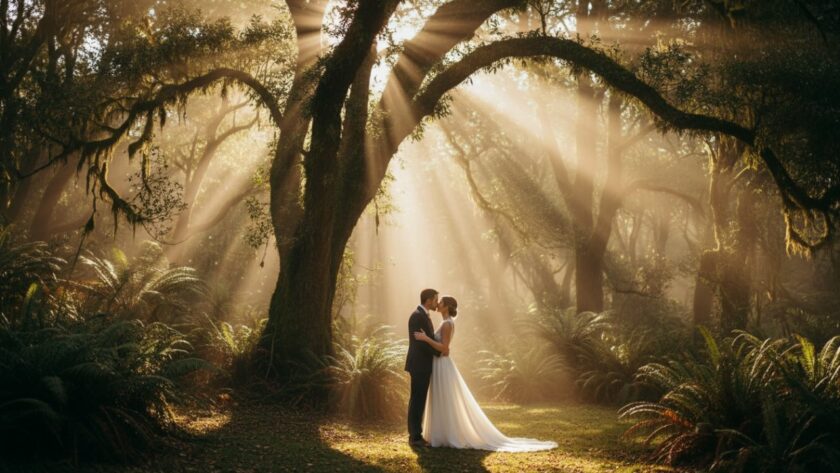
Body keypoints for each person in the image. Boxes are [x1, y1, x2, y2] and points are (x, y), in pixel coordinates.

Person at [413, 295, 558, 451]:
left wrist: (426, 339)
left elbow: (445, 349)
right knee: (442, 398)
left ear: (447, 306)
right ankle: (441, 434)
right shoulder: (444, 322)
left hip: (442, 364)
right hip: (439, 364)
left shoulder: (447, 324)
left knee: (445, 398)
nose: (437, 304)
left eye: (440, 302)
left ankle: (447, 434)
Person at [404, 288, 441, 447]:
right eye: (435, 299)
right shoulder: (417, 316)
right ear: (428, 300)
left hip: (422, 364)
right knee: (418, 399)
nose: (437, 303)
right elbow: (420, 343)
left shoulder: (423, 315)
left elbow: (427, 339)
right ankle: (415, 437)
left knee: (419, 398)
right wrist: (438, 351)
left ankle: (415, 434)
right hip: (418, 363)